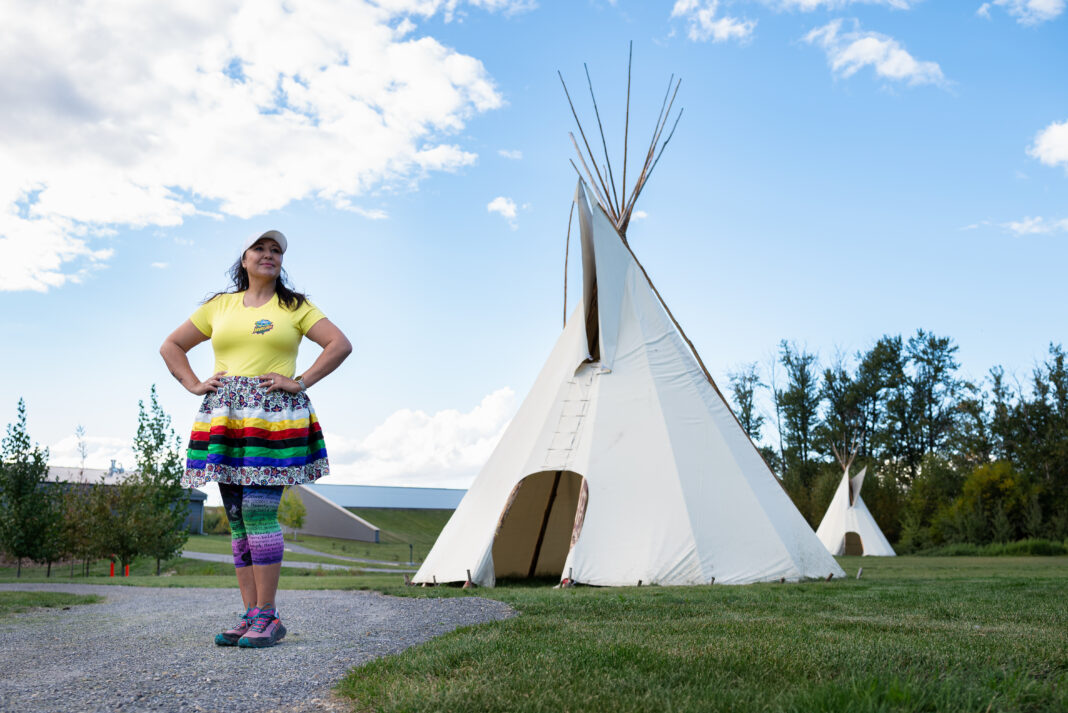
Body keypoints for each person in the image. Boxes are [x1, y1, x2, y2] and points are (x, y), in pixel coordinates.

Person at [160, 229, 352, 648]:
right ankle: (250, 614)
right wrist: (193, 384)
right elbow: (171, 346)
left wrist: (299, 381)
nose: (269, 254)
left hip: (272, 419)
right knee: (237, 520)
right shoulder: (219, 306)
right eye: (260, 248)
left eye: (276, 250)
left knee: (259, 514)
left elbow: (339, 344)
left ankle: (268, 616)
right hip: (226, 417)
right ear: (243, 260)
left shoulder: (295, 306)